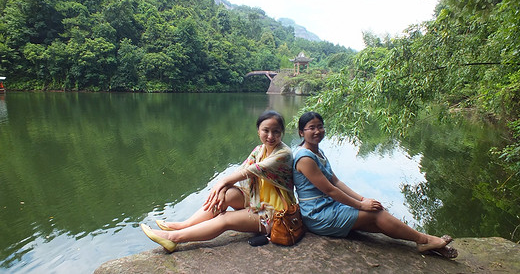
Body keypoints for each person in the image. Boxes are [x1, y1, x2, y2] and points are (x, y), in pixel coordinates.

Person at [292, 111, 457, 258]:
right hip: (318, 214)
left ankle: (428, 245)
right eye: (311, 128)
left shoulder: (318, 152)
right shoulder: (305, 158)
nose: (317, 131)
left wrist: (363, 199)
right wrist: (361, 206)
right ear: (301, 132)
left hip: (330, 206)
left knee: (379, 217)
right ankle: (425, 240)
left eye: (320, 126)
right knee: (376, 215)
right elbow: (330, 190)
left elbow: (336, 182)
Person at [140, 110, 296, 252]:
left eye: (276, 132)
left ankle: (173, 239)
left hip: (276, 213)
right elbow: (240, 171)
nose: (270, 136)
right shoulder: (259, 150)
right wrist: (223, 190)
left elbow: (252, 170)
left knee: (225, 218)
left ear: (281, 132)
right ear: (258, 131)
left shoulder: (284, 154)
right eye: (266, 131)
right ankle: (184, 225)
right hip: (257, 200)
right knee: (226, 195)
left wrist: (221, 183)